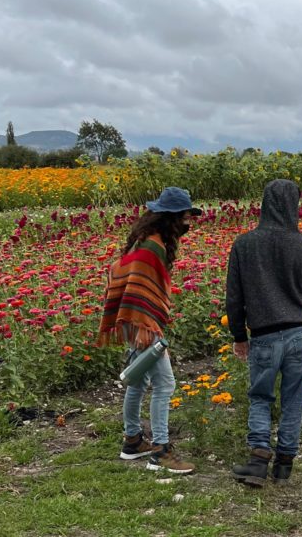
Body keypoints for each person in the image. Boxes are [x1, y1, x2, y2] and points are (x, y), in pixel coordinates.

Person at [227, 179, 302, 487]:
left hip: (264, 333)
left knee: (260, 395)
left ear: (264, 204)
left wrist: (238, 335)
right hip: (300, 331)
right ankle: (284, 465)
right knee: (294, 397)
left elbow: (234, 297)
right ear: (293, 206)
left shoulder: (244, 245)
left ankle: (258, 459)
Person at [97, 186, 199, 474]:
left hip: (131, 318)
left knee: (138, 381)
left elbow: (118, 271)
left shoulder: (143, 240)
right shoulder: (153, 245)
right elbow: (141, 284)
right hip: (141, 321)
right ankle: (161, 451)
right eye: (185, 217)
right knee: (165, 384)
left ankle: (132, 441)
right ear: (172, 218)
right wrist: (146, 316)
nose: (188, 223)